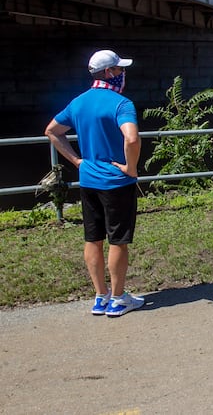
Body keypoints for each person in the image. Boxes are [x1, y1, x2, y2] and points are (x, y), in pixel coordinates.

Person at [45, 49, 144, 317]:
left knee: (93, 238)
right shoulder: (121, 104)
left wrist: (77, 162)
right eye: (120, 69)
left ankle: (100, 297)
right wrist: (130, 168)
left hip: (88, 180)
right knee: (118, 240)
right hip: (116, 182)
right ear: (109, 72)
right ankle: (119, 298)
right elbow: (132, 139)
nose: (123, 74)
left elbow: (52, 131)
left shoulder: (78, 102)